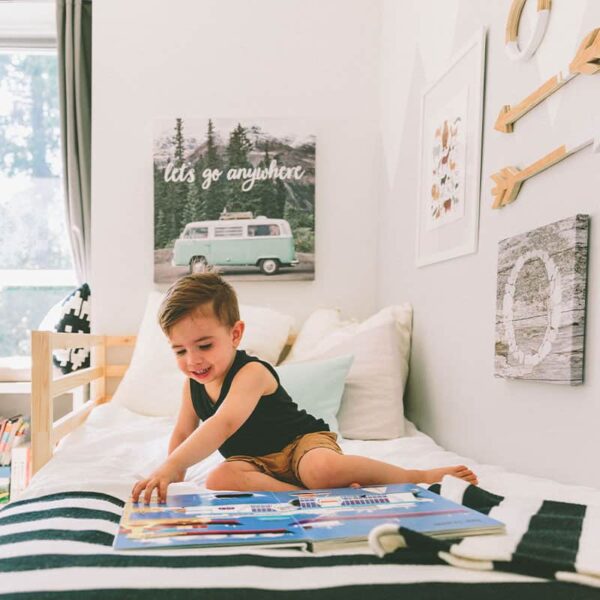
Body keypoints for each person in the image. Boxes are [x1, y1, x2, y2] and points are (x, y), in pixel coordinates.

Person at [131, 273, 478, 504]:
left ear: (235, 334)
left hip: (301, 445)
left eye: (204, 345)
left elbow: (223, 424)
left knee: (322, 470)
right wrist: (172, 473)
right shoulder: (192, 386)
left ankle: (415, 475)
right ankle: (302, 495)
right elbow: (183, 432)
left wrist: (169, 467)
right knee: (219, 478)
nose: (193, 360)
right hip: (253, 462)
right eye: (180, 351)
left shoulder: (251, 372)